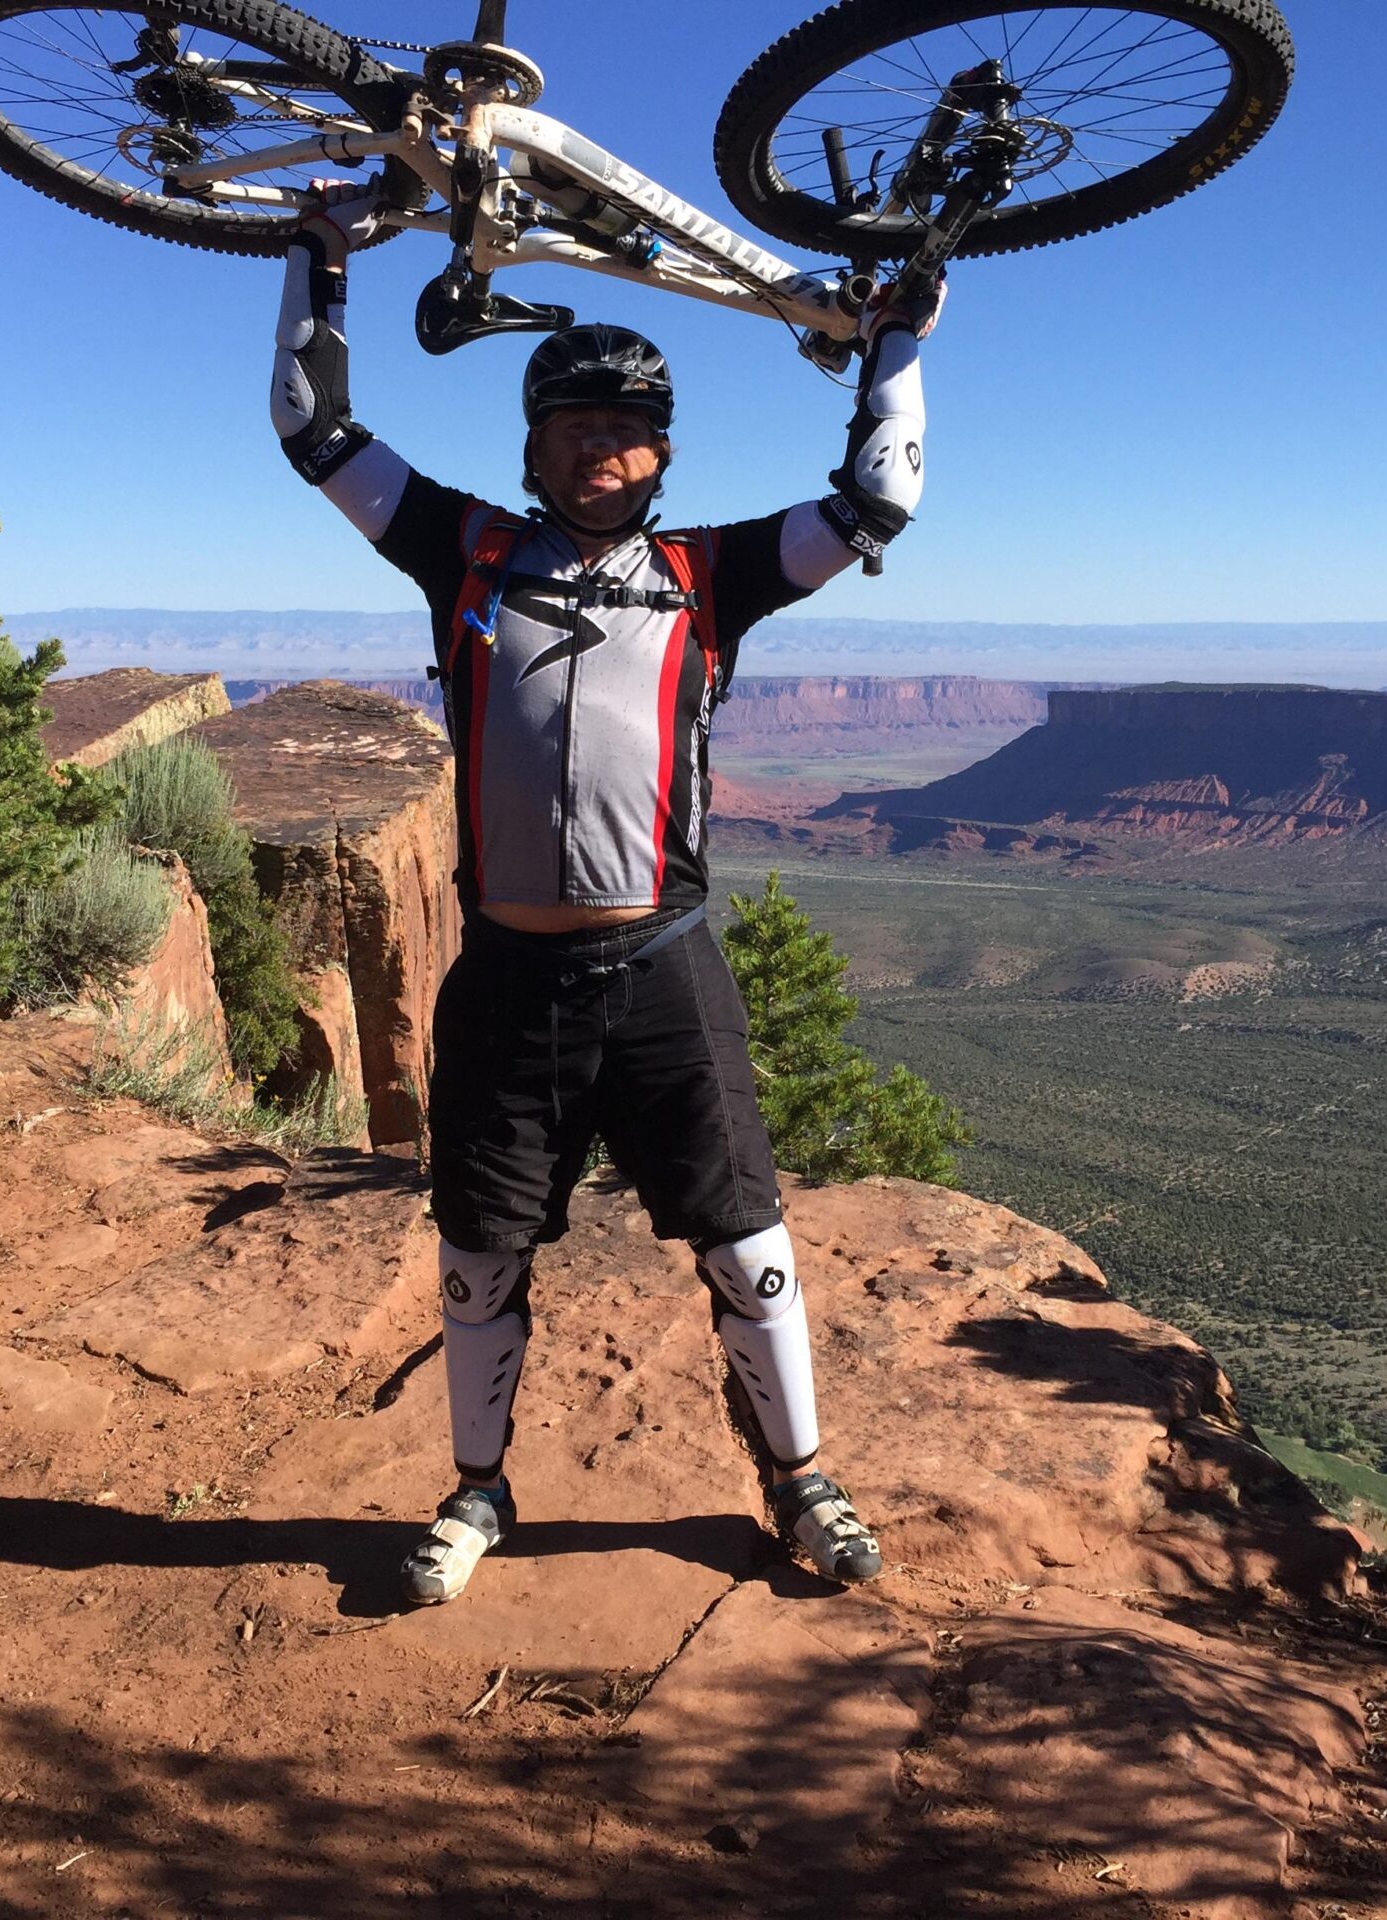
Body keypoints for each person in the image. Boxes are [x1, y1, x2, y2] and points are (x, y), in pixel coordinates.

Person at [268, 185, 938, 1607]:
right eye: (576, 429)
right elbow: (313, 432)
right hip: (508, 976)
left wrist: (894, 348)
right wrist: (318, 258)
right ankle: (476, 1492)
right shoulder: (462, 548)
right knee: (476, 1255)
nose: (603, 453)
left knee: (748, 1245)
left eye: (627, 432)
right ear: (535, 445)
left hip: (662, 969)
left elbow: (880, 497)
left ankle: (802, 1479)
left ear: (662, 452)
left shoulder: (714, 576)